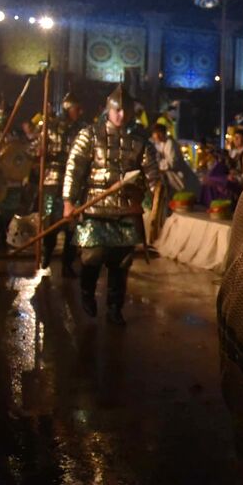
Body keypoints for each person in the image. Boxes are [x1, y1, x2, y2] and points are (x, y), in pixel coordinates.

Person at [63, 85, 160, 325]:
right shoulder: (89, 135)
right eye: (117, 110)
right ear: (109, 109)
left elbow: (152, 174)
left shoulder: (140, 140)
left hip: (126, 208)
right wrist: (68, 201)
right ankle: (87, 293)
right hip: (95, 207)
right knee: (92, 255)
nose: (122, 115)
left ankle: (115, 308)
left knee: (121, 261)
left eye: (126, 110)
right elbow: (74, 169)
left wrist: (152, 198)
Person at [30, 91, 88, 274]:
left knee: (72, 225)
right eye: (76, 109)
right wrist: (40, 152)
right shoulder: (50, 127)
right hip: (52, 180)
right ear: (68, 108)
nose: (80, 112)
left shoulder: (83, 130)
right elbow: (33, 149)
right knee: (50, 223)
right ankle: (45, 259)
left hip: (75, 183)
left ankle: (67, 265)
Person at [149, 121, 187, 194]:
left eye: (155, 133)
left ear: (161, 133)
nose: (154, 136)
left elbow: (171, 163)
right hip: (167, 178)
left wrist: (157, 165)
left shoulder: (170, 144)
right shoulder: (159, 144)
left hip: (175, 177)